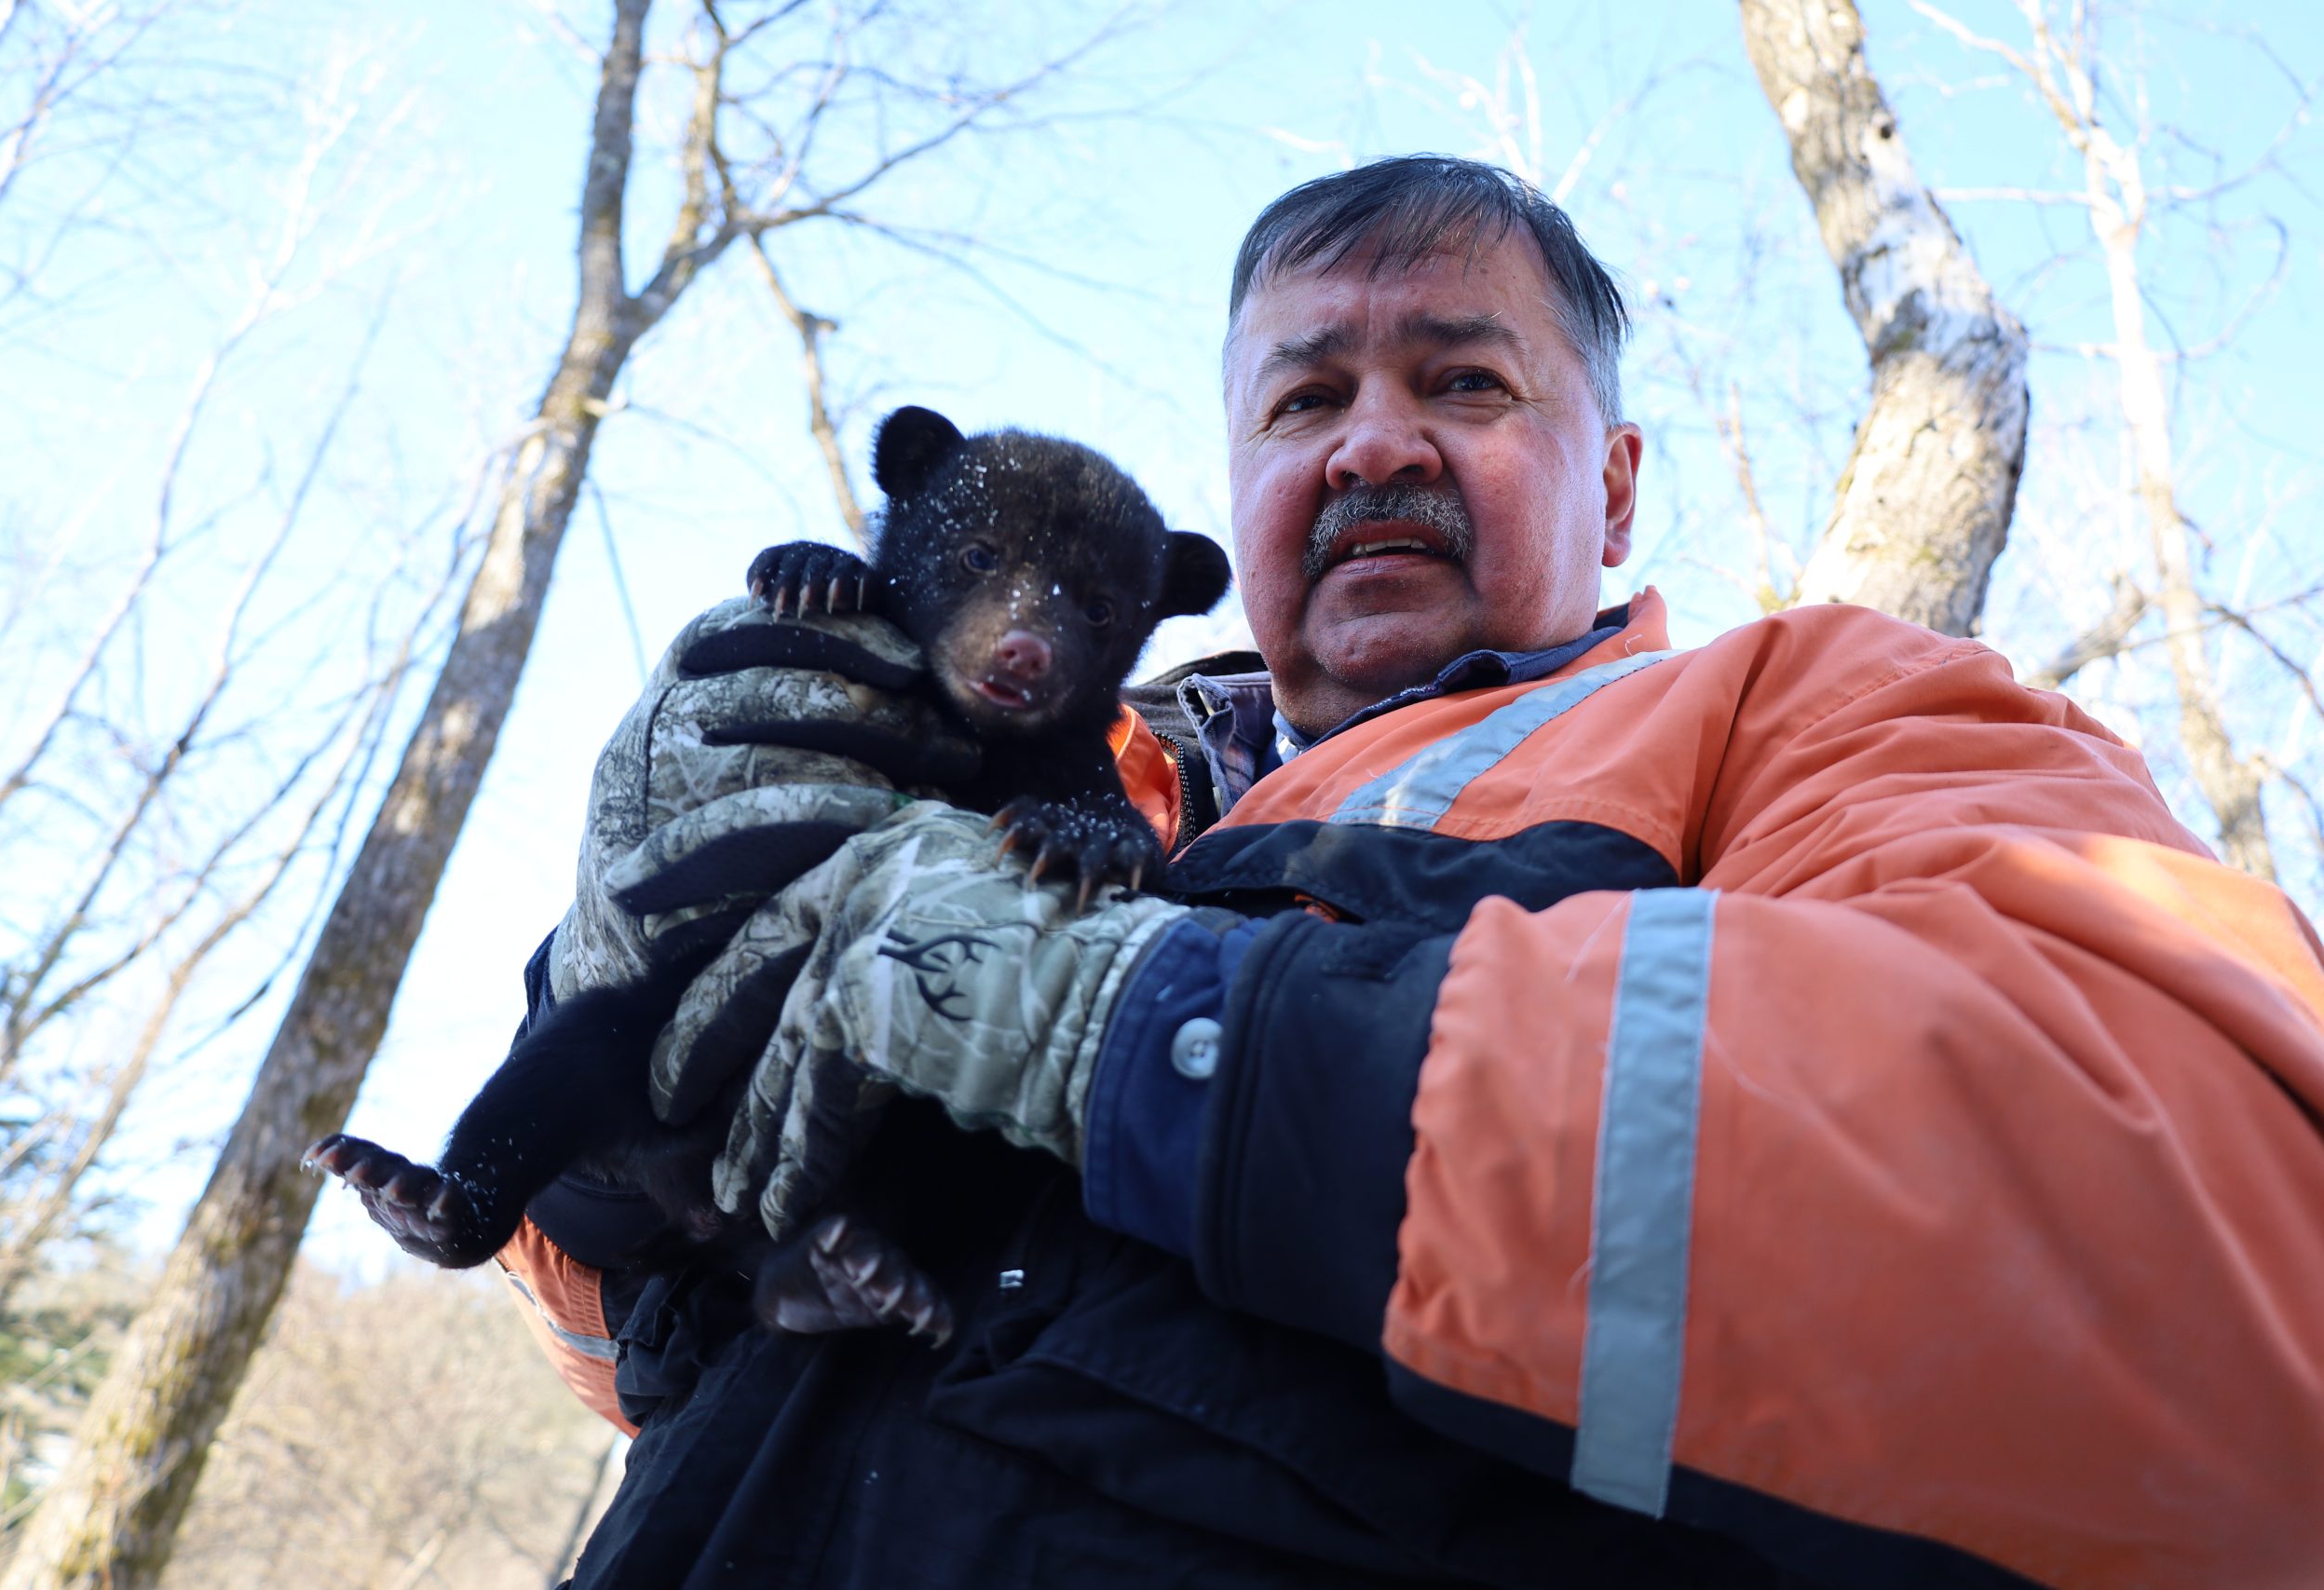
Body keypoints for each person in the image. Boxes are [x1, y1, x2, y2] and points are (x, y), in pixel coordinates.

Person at [493, 156, 2324, 1589]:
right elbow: (638, 1367)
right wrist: (604, 1104)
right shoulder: (999, 765)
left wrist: (1143, 1028)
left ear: (1607, 492)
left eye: (1460, 375)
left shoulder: (1804, 707)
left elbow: (2213, 1253)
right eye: (1302, 402)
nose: (1371, 438)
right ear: (1230, 489)